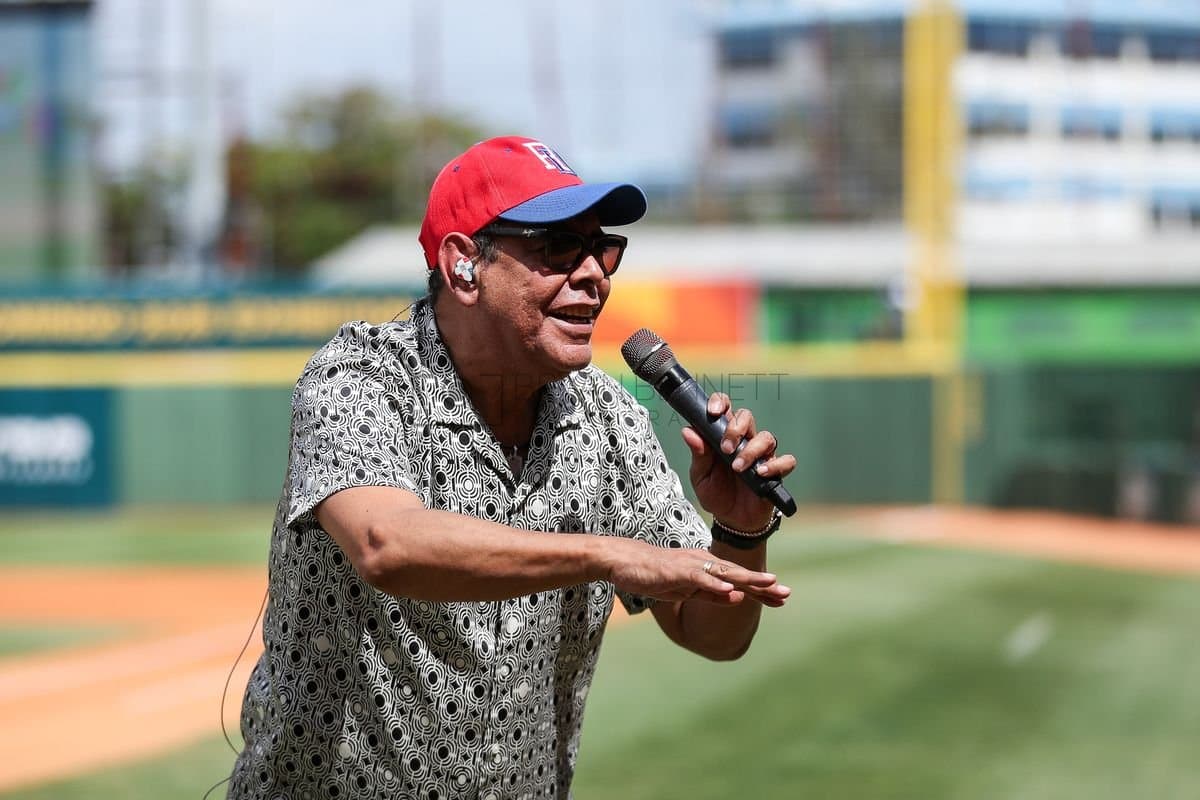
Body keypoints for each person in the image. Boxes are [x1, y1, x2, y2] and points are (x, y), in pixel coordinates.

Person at [228, 135, 796, 800]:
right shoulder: (360, 376)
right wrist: (605, 555)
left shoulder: (609, 416)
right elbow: (387, 544)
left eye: (603, 248)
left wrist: (738, 530)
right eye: (558, 247)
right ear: (464, 265)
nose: (594, 274)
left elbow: (714, 636)